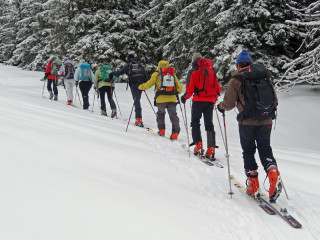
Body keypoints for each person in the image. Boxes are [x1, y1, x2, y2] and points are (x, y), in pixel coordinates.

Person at [217, 49, 281, 202]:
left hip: (247, 123)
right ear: (250, 63)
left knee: (248, 151)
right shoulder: (264, 76)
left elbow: (229, 103)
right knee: (265, 149)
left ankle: (253, 184)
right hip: (266, 120)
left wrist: (220, 106)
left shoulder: (236, 79)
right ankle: (273, 174)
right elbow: (275, 100)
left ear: (238, 65)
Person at [181, 56, 221, 160]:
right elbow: (218, 88)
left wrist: (184, 98)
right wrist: (213, 98)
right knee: (209, 124)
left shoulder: (193, 72)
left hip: (198, 101)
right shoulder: (212, 72)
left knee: (195, 122)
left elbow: (190, 89)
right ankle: (211, 148)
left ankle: (198, 145)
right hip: (210, 102)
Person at [138, 60, 183, 140]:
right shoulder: (172, 74)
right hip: (172, 98)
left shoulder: (156, 74)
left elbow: (149, 84)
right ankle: (175, 133)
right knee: (173, 115)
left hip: (161, 98)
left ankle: (162, 130)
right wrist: (176, 92)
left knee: (161, 114)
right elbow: (179, 87)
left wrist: (141, 87)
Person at [110, 54, 148, 126]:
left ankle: (138, 119)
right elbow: (145, 75)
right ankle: (138, 117)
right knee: (137, 100)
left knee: (136, 101)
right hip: (141, 85)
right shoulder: (139, 65)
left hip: (134, 85)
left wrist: (112, 74)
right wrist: (144, 85)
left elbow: (120, 72)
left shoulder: (129, 66)